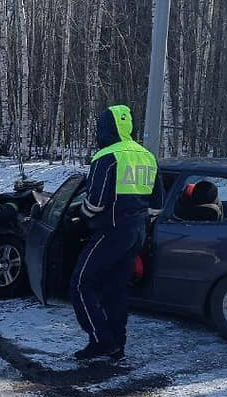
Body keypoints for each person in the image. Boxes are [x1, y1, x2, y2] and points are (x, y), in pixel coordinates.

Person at [70, 104, 164, 362]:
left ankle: (101, 340)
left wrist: (81, 217)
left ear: (106, 128)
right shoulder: (147, 156)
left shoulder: (107, 157)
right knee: (116, 289)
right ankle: (116, 345)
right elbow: (157, 204)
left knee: (80, 284)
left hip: (109, 231)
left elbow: (95, 202)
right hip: (137, 232)